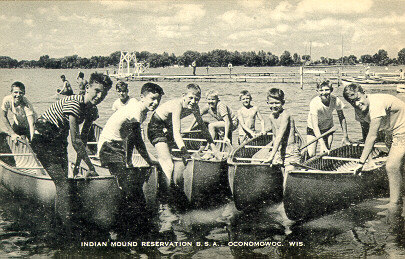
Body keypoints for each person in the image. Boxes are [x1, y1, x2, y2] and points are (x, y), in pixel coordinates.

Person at [30, 72, 112, 226]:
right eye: (97, 91)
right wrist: (91, 167)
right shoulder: (74, 103)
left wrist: (80, 164)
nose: (100, 96)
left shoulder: (92, 110)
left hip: (59, 140)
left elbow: (84, 139)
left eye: (104, 93)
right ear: (87, 87)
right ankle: (63, 228)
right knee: (63, 184)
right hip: (43, 139)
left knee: (64, 183)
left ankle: (61, 220)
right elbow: (75, 141)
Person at [343, 84, 405, 211]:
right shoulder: (359, 109)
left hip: (402, 128)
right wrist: (368, 159)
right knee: (399, 165)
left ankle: (395, 204)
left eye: (358, 99)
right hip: (390, 131)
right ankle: (400, 193)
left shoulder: (376, 104)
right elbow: (366, 134)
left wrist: (361, 162)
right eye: (352, 102)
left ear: (364, 93)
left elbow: (372, 136)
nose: (357, 104)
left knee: (391, 166)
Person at [147, 84, 218, 187]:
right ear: (183, 95)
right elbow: (177, 133)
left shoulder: (194, 107)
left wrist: (214, 147)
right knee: (168, 163)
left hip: (168, 127)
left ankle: (172, 183)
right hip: (156, 126)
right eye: (190, 98)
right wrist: (185, 152)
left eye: (197, 99)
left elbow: (203, 128)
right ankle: (164, 195)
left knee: (173, 158)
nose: (193, 101)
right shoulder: (177, 105)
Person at [98, 82, 163, 181]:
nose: (156, 103)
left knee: (130, 176)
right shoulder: (136, 110)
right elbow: (137, 139)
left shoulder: (143, 113)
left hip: (117, 147)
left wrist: (128, 159)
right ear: (142, 97)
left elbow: (130, 138)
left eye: (158, 99)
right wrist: (148, 160)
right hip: (107, 147)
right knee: (126, 180)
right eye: (153, 99)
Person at [306, 80, 350, 157]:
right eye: (321, 90)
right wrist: (322, 144)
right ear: (317, 91)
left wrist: (345, 136)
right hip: (313, 129)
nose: (324, 92)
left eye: (327, 90)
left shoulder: (335, 100)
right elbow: (315, 126)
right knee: (311, 153)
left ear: (331, 90)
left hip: (328, 128)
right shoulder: (314, 103)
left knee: (325, 152)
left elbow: (342, 117)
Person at [263, 88, 300, 178]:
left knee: (289, 176)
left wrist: (271, 156)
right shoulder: (271, 117)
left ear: (283, 103)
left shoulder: (285, 116)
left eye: (277, 103)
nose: (274, 106)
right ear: (267, 103)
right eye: (271, 103)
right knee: (279, 174)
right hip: (280, 149)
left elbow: (280, 136)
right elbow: (275, 136)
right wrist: (273, 152)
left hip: (290, 150)